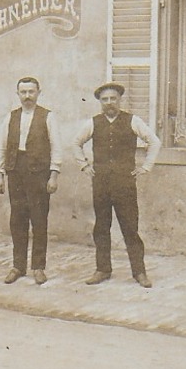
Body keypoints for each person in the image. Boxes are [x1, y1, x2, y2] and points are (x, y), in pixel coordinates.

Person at [74, 82, 161, 288]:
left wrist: (146, 167)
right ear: (100, 102)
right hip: (101, 183)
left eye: (113, 98)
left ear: (120, 100)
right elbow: (76, 143)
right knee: (101, 227)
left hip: (125, 184)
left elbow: (154, 142)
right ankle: (102, 269)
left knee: (130, 228)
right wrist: (84, 166)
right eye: (105, 99)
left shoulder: (133, 121)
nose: (109, 103)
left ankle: (139, 272)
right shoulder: (93, 123)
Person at [0, 76, 62, 285]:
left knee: (39, 221)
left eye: (31, 92)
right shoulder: (11, 117)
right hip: (16, 172)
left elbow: (56, 147)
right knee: (17, 220)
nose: (27, 96)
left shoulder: (48, 117)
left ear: (38, 93)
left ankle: (38, 267)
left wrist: (54, 175)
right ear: (18, 94)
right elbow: (2, 146)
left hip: (39, 174)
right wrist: (0, 175)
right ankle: (18, 266)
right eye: (23, 92)